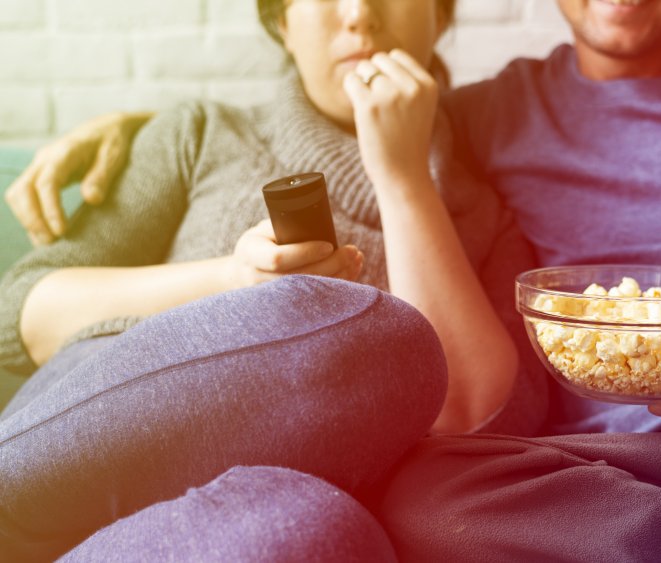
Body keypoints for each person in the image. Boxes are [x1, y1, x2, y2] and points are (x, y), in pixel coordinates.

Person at [9, 0, 661, 561]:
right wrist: (131, 134)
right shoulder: (490, 115)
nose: (357, 17)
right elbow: (345, 118)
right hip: (600, 460)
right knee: (431, 490)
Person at [0, 0, 548, 560]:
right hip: (76, 446)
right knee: (375, 339)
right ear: (281, 22)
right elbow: (20, 315)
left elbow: (477, 426)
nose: (359, 14)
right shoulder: (201, 135)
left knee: (319, 528)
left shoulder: (485, 218)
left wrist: (404, 178)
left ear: (440, 15)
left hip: (195, 527)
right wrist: (231, 281)